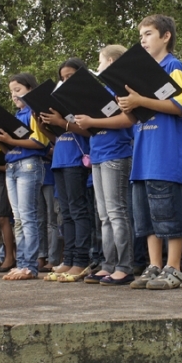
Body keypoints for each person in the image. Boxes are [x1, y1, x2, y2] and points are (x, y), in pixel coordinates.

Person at [117, 14, 182, 290]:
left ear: (165, 36)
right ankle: (154, 266)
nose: (143, 40)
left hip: (166, 156)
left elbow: (179, 105)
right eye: (141, 36)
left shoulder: (174, 68)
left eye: (148, 34)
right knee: (146, 216)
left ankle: (174, 267)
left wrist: (140, 99)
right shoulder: (139, 76)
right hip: (143, 157)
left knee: (168, 213)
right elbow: (134, 118)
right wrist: (129, 104)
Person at [74, 44, 138, 286]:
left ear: (111, 62)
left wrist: (92, 119)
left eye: (100, 61)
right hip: (99, 154)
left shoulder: (122, 89)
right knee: (104, 216)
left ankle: (124, 266)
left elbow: (127, 120)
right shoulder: (101, 90)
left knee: (116, 212)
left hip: (116, 154)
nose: (98, 66)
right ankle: (108, 264)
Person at [39, 59, 94, 283]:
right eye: (63, 78)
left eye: (70, 76)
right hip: (60, 158)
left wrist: (61, 122)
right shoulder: (60, 99)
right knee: (66, 213)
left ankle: (81, 259)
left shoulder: (85, 98)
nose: (65, 80)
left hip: (76, 160)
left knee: (78, 209)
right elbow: (61, 136)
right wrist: (47, 126)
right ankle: (69, 258)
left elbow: (90, 131)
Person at [0, 73, 50, 280]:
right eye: (11, 93)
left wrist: (10, 139)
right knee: (17, 219)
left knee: (28, 217)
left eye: (18, 90)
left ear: (30, 90)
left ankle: (30, 266)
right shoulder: (15, 116)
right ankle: (22, 262)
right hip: (12, 165)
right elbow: (8, 149)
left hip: (29, 165)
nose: (14, 96)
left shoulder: (33, 113)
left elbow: (40, 143)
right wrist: (0, 139)